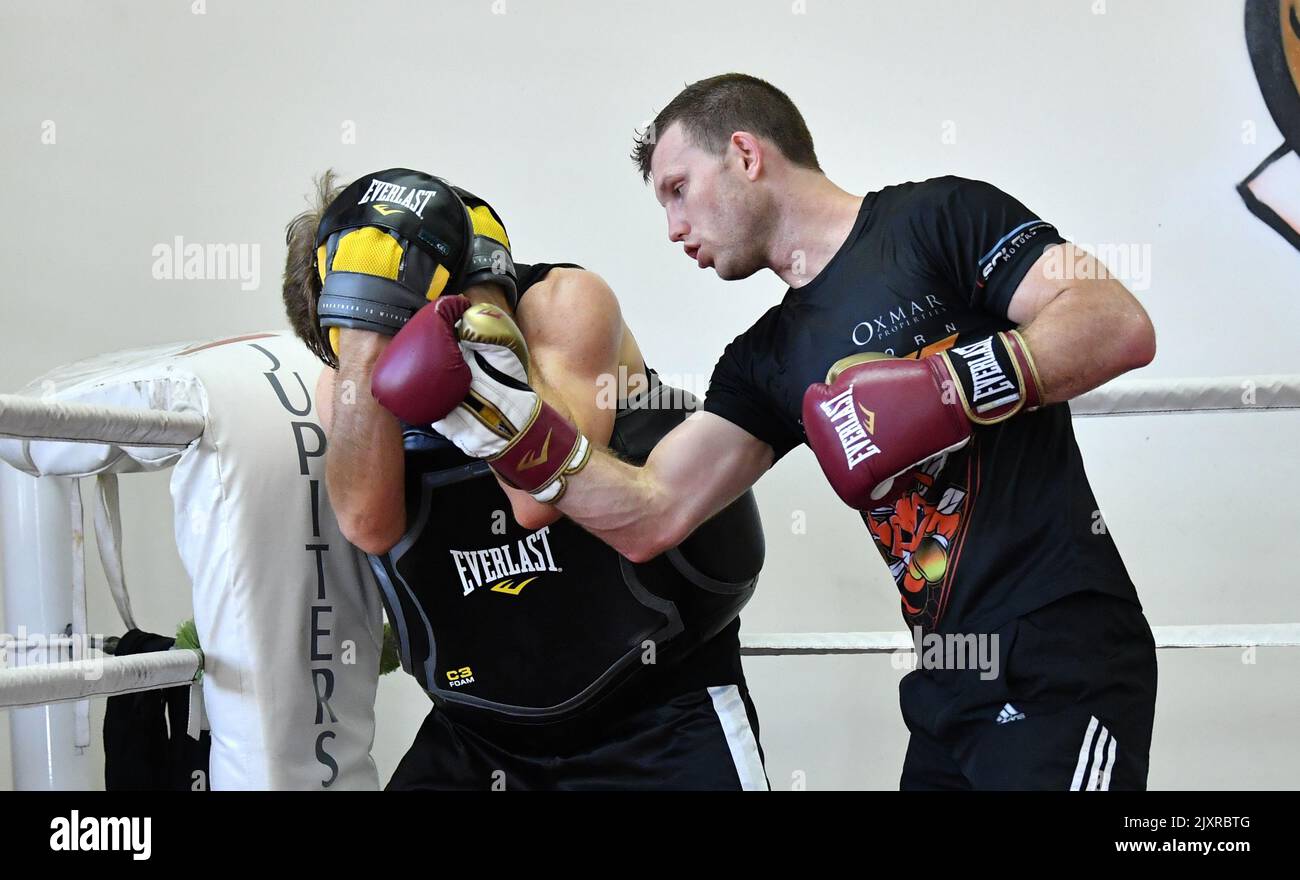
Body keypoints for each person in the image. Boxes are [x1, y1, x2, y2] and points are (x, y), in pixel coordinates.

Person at [378, 74, 1160, 791]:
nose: (675, 227)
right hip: (946, 676)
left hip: (1061, 652)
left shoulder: (937, 218)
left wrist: (946, 387)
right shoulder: (765, 361)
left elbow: (1114, 322)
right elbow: (651, 512)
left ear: (746, 155)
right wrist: (509, 426)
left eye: (679, 190)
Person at [281, 168, 768, 790]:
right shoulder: (350, 374)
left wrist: (485, 305)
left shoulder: (564, 304)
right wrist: (364, 343)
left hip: (653, 714)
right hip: (482, 730)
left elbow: (539, 500)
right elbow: (368, 525)